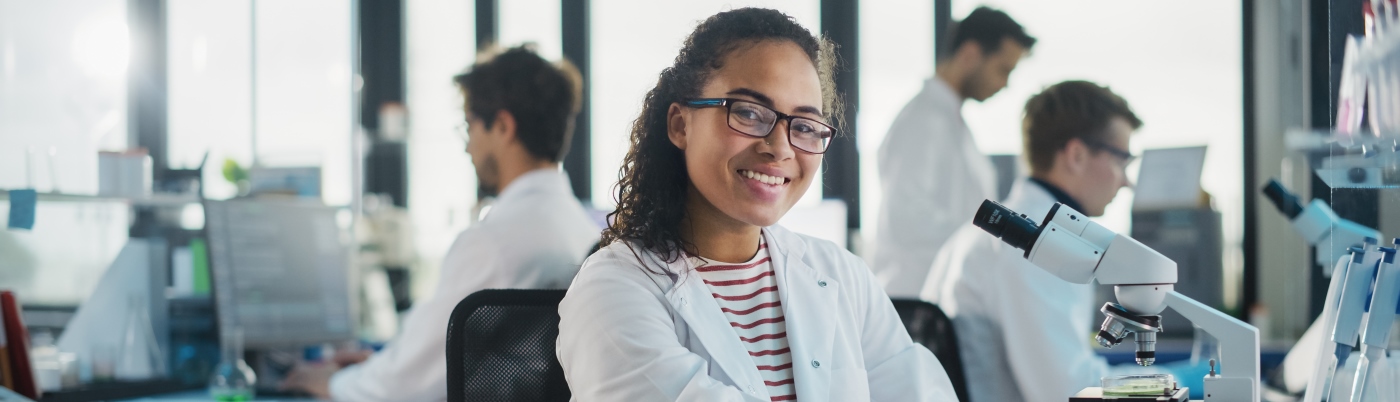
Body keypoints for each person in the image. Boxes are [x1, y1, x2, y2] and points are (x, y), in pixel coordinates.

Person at [555, 8, 957, 402]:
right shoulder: (612, 289)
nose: (779, 147)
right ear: (680, 124)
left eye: (804, 126)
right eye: (748, 113)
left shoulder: (842, 276)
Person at [279, 46, 602, 401]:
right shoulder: (580, 229)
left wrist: (334, 383)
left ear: (503, 127)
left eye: (470, 128)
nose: (468, 148)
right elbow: (454, 359)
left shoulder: (493, 243)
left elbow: (406, 386)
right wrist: (382, 362)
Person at [920, 81, 1209, 402]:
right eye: (1121, 160)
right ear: (1076, 155)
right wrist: (1179, 380)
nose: (1126, 181)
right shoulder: (1039, 250)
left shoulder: (974, 237)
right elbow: (1068, 391)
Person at [871, 6, 1036, 297]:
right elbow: (908, 218)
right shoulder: (922, 121)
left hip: (938, 295)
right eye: (1003, 69)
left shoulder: (950, 123)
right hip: (916, 299)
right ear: (970, 54)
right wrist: (994, 241)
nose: (1005, 84)